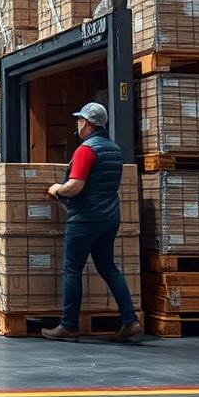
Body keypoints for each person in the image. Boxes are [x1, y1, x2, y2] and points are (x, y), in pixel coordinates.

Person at [42, 102, 142, 343]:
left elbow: (75, 186)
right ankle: (130, 320)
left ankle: (68, 325)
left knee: (72, 269)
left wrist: (56, 190)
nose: (77, 124)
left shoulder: (86, 150)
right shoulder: (114, 149)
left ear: (86, 123)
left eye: (79, 120)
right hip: (109, 218)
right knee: (108, 267)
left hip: (85, 219)